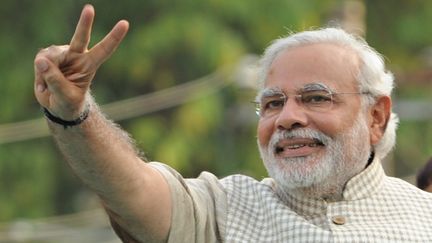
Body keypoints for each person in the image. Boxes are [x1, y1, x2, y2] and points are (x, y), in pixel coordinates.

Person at [34, 4, 432, 243]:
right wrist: (75, 113)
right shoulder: (220, 210)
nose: (288, 118)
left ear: (376, 116)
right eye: (273, 103)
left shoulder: (424, 217)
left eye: (315, 98)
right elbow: (130, 189)